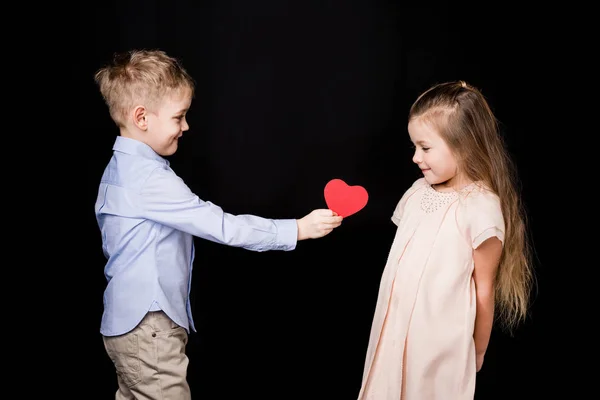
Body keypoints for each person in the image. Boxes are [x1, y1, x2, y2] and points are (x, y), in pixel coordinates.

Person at [93, 49, 343, 400]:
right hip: (148, 327)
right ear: (142, 118)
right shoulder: (149, 180)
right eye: (179, 117)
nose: (186, 126)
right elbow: (222, 226)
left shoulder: (119, 171)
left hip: (128, 326)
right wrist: (296, 229)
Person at [357, 81, 533, 399]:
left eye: (425, 148)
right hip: (393, 332)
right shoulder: (417, 193)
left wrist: (477, 349)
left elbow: (484, 289)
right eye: (414, 147)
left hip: (437, 347)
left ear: (462, 145)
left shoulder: (479, 207)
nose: (415, 157)